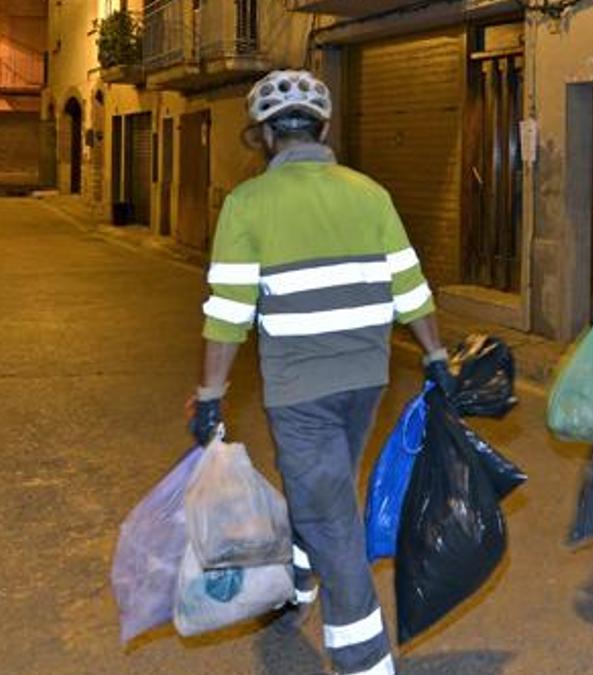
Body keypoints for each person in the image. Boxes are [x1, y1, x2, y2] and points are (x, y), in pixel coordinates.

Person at [188, 70, 453, 675]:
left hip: (299, 390)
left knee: (331, 515)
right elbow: (411, 287)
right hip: (367, 380)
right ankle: (300, 578)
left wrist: (210, 395)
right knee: (324, 491)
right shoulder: (370, 193)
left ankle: (365, 660)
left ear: (263, 136)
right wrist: (436, 356)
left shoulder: (248, 203)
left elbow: (228, 313)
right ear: (323, 128)